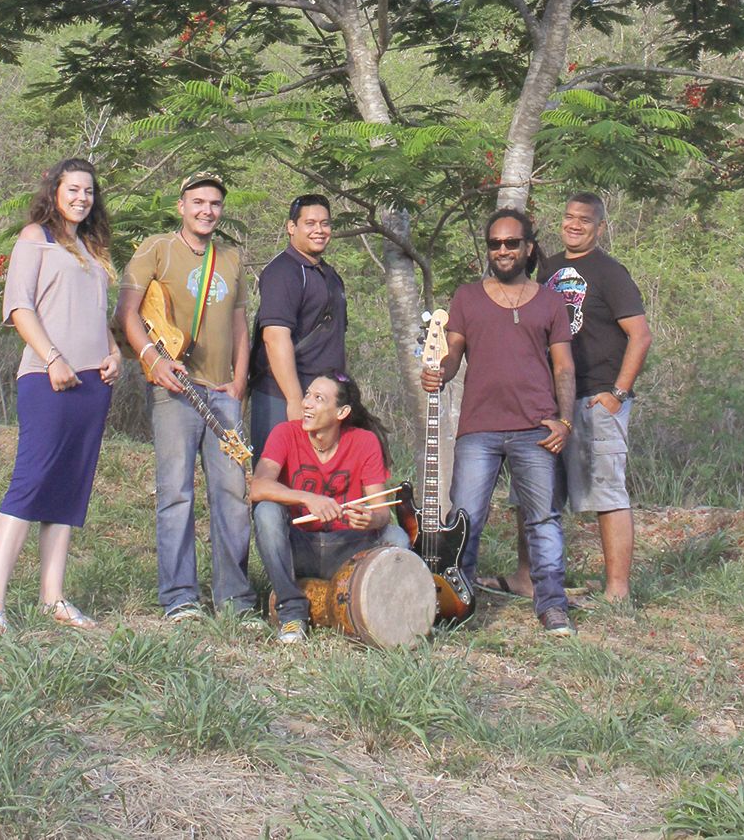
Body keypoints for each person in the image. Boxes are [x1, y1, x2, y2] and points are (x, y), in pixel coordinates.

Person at [0, 157, 121, 638]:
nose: (81, 198)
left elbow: (95, 315)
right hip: (47, 376)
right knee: (32, 480)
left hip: (92, 383)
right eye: (73, 189)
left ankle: (52, 597)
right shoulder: (33, 239)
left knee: (70, 485)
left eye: (88, 191)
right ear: (55, 192)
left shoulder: (90, 247)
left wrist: (115, 352)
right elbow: (20, 307)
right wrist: (53, 357)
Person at [419, 208, 577, 636]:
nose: (502, 250)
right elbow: (451, 355)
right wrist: (439, 370)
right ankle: (457, 600)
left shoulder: (550, 300)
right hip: (479, 429)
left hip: (537, 428)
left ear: (528, 247)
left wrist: (565, 420)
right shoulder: (467, 297)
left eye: (511, 243)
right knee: (465, 518)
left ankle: (552, 606)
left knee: (542, 519)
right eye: (495, 244)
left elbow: (563, 367)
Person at [115, 172, 257, 621]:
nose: (206, 210)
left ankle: (233, 600)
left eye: (214, 203)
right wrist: (153, 361)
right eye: (198, 202)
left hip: (223, 394)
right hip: (175, 390)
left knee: (233, 495)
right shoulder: (156, 249)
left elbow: (239, 326)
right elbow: (127, 313)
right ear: (181, 205)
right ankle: (179, 598)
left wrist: (239, 382)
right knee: (176, 494)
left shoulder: (231, 258)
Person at [497, 192, 652, 603]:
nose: (575, 225)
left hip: (595, 399)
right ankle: (526, 578)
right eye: (569, 217)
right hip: (547, 402)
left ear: (599, 227)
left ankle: (617, 590)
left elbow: (640, 335)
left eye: (585, 220)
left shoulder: (610, 273)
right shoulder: (545, 270)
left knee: (606, 493)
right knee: (533, 493)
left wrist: (617, 393)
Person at [250, 370, 408, 643]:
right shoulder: (285, 433)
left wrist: (371, 519)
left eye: (318, 398)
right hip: (301, 547)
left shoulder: (364, 441)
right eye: (308, 394)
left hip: (348, 549)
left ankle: (377, 617)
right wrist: (307, 498)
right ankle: (292, 613)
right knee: (266, 511)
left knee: (397, 538)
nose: (307, 403)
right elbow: (258, 487)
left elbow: (383, 512)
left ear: (341, 412)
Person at [249, 193, 347, 463]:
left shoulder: (329, 274)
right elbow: (274, 337)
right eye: (310, 223)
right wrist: (294, 400)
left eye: (325, 223)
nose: (319, 230)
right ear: (292, 227)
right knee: (276, 482)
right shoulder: (284, 272)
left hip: (324, 400)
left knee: (317, 484)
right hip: (282, 396)